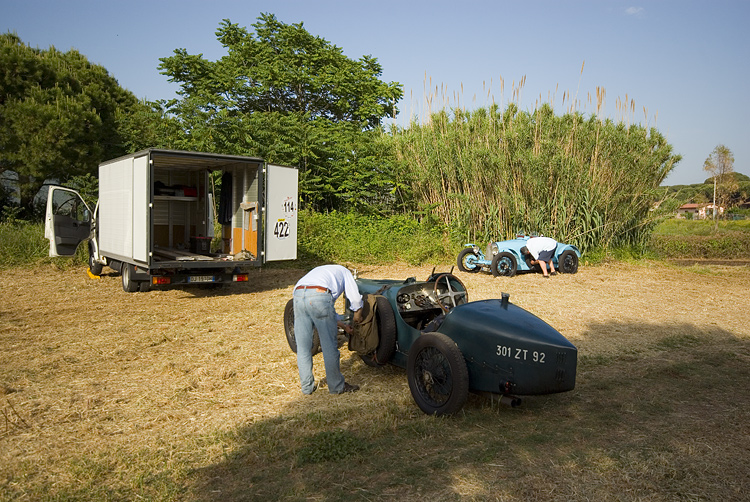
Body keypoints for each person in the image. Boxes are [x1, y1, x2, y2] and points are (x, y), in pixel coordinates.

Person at [293, 264, 363, 395]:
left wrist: (343, 326)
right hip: (320, 294)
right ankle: (337, 387)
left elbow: (327, 311)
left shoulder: (320, 271)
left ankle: (307, 388)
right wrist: (358, 313)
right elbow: (354, 297)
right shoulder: (345, 272)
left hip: (298, 294)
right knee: (329, 346)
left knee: (303, 346)